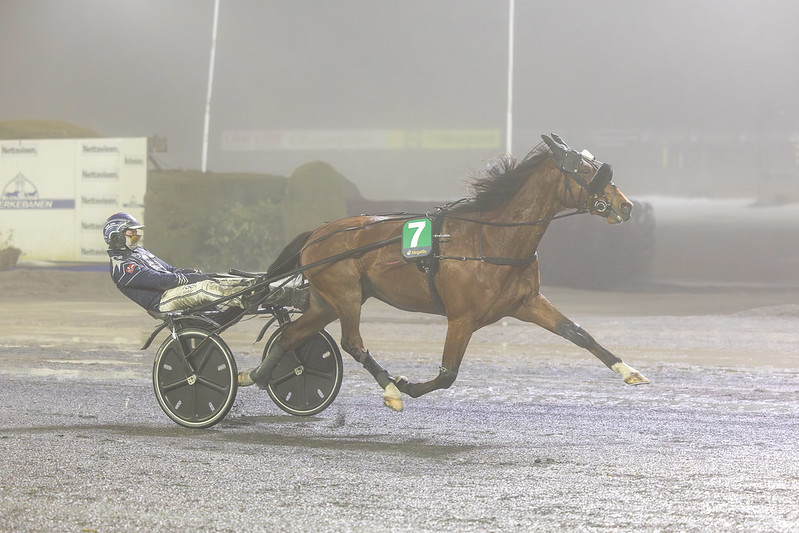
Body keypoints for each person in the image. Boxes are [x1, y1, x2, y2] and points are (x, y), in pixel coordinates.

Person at [103, 212, 307, 316]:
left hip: (172, 290)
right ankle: (246, 300)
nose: (136, 236)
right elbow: (159, 281)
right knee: (205, 287)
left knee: (230, 280)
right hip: (162, 300)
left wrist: (191, 272)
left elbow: (170, 270)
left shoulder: (139, 252)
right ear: (116, 236)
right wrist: (188, 278)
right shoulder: (122, 267)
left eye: (136, 232)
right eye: (131, 233)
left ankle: (289, 295)